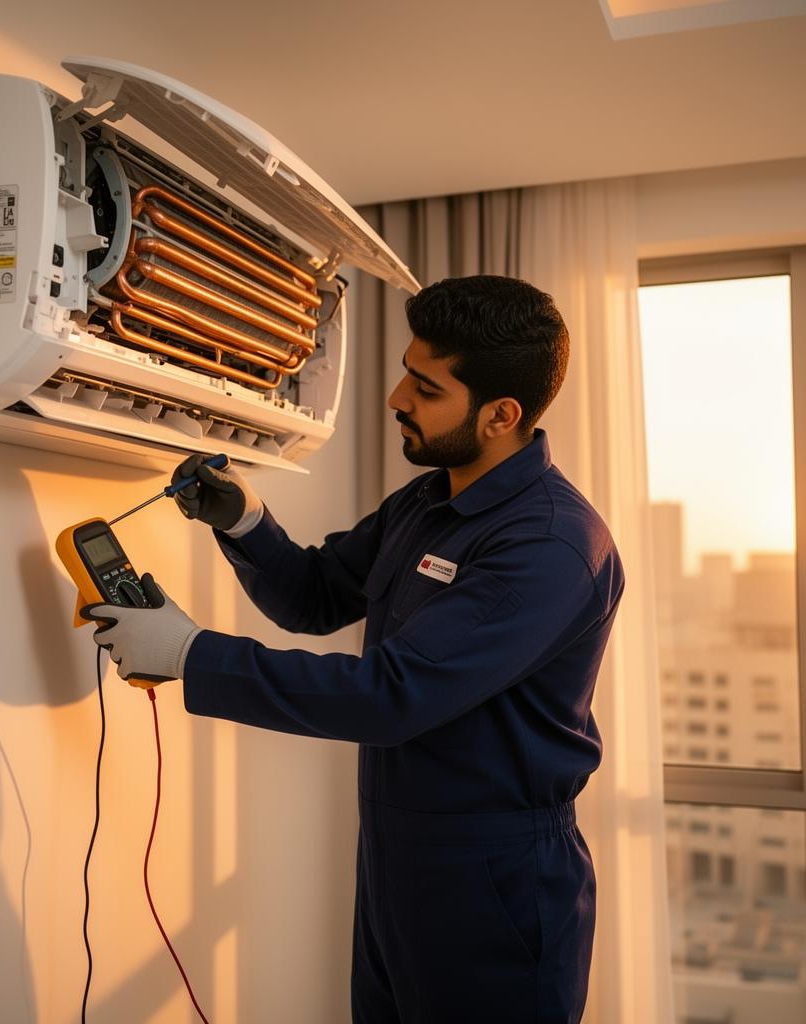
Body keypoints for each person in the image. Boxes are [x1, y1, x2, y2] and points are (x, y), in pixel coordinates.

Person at [82, 275, 625, 1024]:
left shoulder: (549, 545)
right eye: (407, 371)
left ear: (501, 415)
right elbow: (316, 595)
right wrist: (247, 524)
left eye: (426, 388)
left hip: (495, 879)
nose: (397, 397)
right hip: (398, 859)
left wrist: (190, 655)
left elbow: (390, 695)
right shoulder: (429, 501)